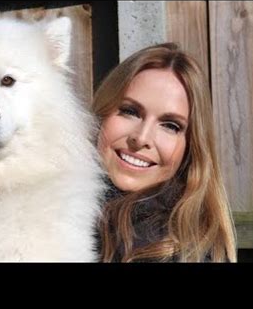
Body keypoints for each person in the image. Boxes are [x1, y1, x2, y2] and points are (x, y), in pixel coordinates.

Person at [93, 43, 237, 262]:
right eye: (130, 111)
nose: (141, 138)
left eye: (170, 125)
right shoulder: (54, 209)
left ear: (190, 148)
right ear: (102, 113)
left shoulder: (183, 252)